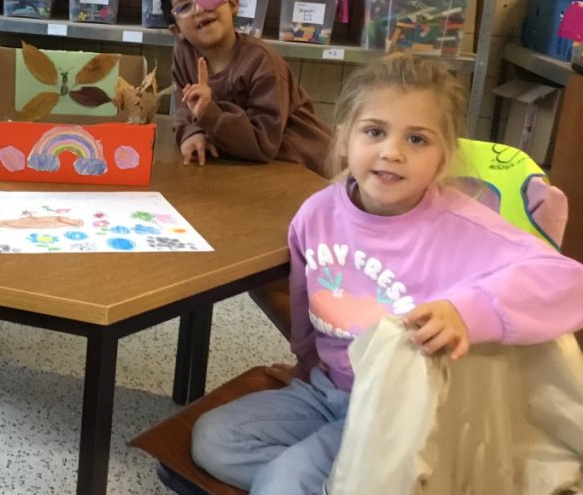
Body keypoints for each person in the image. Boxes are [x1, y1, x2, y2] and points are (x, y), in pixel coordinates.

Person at [189, 53, 583, 495]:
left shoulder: (464, 227)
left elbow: (570, 283)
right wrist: (305, 364)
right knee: (215, 441)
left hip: (402, 416)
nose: (392, 152)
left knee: (286, 480)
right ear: (344, 138)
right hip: (328, 391)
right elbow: (304, 304)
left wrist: (466, 311)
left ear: (444, 156)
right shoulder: (316, 214)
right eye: (374, 131)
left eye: (417, 139)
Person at [160, 0, 330, 175]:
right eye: (184, 6)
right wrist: (190, 132)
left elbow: (264, 144)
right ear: (177, 30)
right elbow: (185, 108)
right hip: (244, 162)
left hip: (300, 166)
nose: (200, 8)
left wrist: (208, 112)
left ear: (233, 4)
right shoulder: (184, 53)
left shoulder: (262, 62)